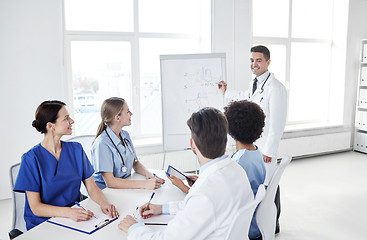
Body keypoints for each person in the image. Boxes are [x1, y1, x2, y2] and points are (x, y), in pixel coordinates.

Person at [118, 107, 253, 239]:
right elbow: (193, 207)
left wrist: (134, 228)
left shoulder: (205, 193)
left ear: (192, 144)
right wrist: (162, 208)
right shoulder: (237, 170)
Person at [13, 100, 118, 231]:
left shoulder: (76, 149)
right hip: (44, 223)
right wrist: (68, 212)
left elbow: (91, 187)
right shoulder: (31, 159)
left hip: (74, 216)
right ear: (51, 126)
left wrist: (104, 203)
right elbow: (36, 207)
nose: (72, 121)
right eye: (66, 118)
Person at [219, 45, 287, 232]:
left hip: (265, 146)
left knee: (270, 185)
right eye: (252, 60)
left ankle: (273, 223)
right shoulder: (255, 83)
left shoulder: (276, 88)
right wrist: (226, 92)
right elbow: (246, 98)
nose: (254, 64)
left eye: (258, 60)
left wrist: (269, 151)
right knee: (264, 185)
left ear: (268, 62)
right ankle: (265, 222)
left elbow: (278, 124)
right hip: (255, 142)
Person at [91, 97, 165, 190]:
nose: (131, 114)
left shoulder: (125, 135)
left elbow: (135, 163)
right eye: (127, 112)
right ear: (117, 117)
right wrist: (144, 184)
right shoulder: (101, 144)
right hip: (106, 192)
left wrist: (150, 176)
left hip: (124, 186)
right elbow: (110, 182)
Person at [224, 100, 266, 240]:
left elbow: (221, 200)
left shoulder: (239, 163)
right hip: (255, 223)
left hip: (243, 229)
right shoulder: (256, 152)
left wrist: (185, 188)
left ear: (231, 130)